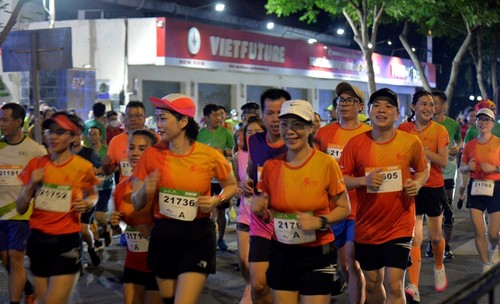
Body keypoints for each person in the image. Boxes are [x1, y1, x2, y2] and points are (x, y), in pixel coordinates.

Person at [131, 93, 237, 303]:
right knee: (169, 299)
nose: (158, 124)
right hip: (163, 234)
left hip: (198, 235)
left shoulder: (209, 155)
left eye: (163, 118)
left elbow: (232, 185)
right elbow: (136, 201)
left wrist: (217, 200)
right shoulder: (151, 155)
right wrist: (145, 190)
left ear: (183, 121)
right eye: (157, 118)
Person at [252, 99, 351, 303]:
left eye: (297, 125)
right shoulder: (271, 167)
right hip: (281, 251)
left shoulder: (326, 163)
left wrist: (321, 221)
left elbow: (344, 208)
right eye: (285, 124)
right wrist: (260, 210)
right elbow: (267, 213)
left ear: (310, 128)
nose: (290, 131)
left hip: (317, 252)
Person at [339, 88, 429, 304]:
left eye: (389, 106)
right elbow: (340, 179)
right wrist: (363, 181)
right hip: (366, 226)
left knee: (394, 283)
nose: (382, 110)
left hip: (400, 224)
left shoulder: (410, 142)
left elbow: (423, 170)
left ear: (397, 114)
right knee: (371, 282)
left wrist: (416, 183)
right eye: (377, 105)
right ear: (368, 111)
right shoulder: (355, 144)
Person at [16, 112, 99, 303]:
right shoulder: (36, 165)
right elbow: (21, 208)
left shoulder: (82, 166)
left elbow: (93, 194)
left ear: (73, 136)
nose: (52, 136)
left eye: (60, 132)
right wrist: (31, 185)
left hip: (67, 242)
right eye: (50, 131)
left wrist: (88, 203)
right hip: (38, 241)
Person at [314, 82, 371, 304]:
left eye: (350, 100)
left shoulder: (369, 133)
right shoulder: (324, 134)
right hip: (332, 210)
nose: (344, 104)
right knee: (344, 266)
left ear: (361, 106)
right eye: (341, 100)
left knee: (352, 260)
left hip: (360, 209)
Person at [398, 90, 449, 302]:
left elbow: (443, 161)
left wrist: (423, 150)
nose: (428, 108)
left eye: (431, 105)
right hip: (412, 187)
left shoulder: (440, 130)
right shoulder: (403, 129)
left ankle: (439, 266)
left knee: (435, 236)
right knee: (415, 237)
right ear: (413, 107)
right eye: (423, 104)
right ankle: (414, 286)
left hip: (434, 186)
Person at [245, 88, 290, 304]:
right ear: (262, 115)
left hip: (290, 221)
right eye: (270, 113)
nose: (275, 119)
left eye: (280, 112)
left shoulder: (301, 144)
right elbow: (252, 169)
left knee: (287, 286)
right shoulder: (254, 142)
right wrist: (248, 183)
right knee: (258, 284)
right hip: (261, 221)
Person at [0, 103, 46, 304]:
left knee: (16, 259)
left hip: (21, 213)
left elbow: (45, 182)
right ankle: (28, 288)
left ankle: (14, 301)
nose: (1, 123)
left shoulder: (36, 150)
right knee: (6, 260)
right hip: (0, 213)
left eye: (5, 119)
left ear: (18, 122)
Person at [110, 129, 161, 304]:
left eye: (142, 148)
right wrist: (116, 224)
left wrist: (154, 228)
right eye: (131, 147)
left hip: (158, 264)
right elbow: (123, 228)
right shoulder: (121, 188)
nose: (135, 153)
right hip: (132, 263)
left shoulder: (162, 184)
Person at [460, 108, 500, 273]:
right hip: (475, 187)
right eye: (480, 119)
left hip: (495, 187)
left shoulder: (498, 143)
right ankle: (485, 263)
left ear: (492, 123)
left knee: (493, 233)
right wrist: (466, 168)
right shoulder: (469, 145)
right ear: (475, 122)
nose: (483, 123)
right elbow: (462, 167)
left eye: (487, 120)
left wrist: (494, 168)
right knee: (478, 230)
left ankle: (494, 246)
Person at [425, 90, 462, 261]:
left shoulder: (453, 125)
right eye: (428, 103)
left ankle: (445, 246)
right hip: (425, 175)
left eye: (435, 103)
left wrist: (457, 148)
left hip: (447, 172)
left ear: (444, 106)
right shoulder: (421, 124)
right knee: (428, 212)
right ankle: (431, 242)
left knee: (447, 210)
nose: (431, 107)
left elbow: (458, 140)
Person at [232, 116, 266, 304]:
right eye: (249, 132)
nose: (252, 136)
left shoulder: (270, 154)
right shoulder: (239, 155)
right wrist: (239, 187)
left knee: (259, 263)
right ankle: (249, 284)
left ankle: (254, 290)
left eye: (257, 132)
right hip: (245, 214)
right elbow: (236, 180)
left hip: (264, 218)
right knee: (244, 261)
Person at [196, 103, 235, 251]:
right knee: (204, 209)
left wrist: (222, 152)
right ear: (206, 118)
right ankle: (206, 236)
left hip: (222, 179)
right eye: (215, 115)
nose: (219, 118)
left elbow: (234, 152)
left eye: (220, 115)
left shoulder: (226, 133)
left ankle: (221, 238)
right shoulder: (200, 135)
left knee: (221, 210)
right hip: (204, 178)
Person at [69, 114, 103, 267]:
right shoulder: (60, 155)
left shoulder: (90, 154)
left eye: (76, 133)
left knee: (83, 229)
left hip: (85, 199)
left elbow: (102, 168)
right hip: (66, 201)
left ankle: (90, 248)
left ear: (81, 135)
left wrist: (95, 173)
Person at [103, 101, 148, 182]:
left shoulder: (156, 140)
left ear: (144, 118)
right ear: (125, 118)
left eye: (137, 116)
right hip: (125, 192)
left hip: (149, 192)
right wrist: (106, 165)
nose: (133, 119)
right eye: (129, 116)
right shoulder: (115, 141)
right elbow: (108, 172)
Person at [88, 126, 114, 247]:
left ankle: (107, 226)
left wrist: (101, 170)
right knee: (90, 218)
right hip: (90, 188)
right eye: (91, 134)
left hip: (104, 187)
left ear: (100, 136)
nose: (93, 136)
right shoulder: (86, 152)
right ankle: (97, 242)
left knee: (99, 215)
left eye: (95, 134)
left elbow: (114, 166)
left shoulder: (107, 150)